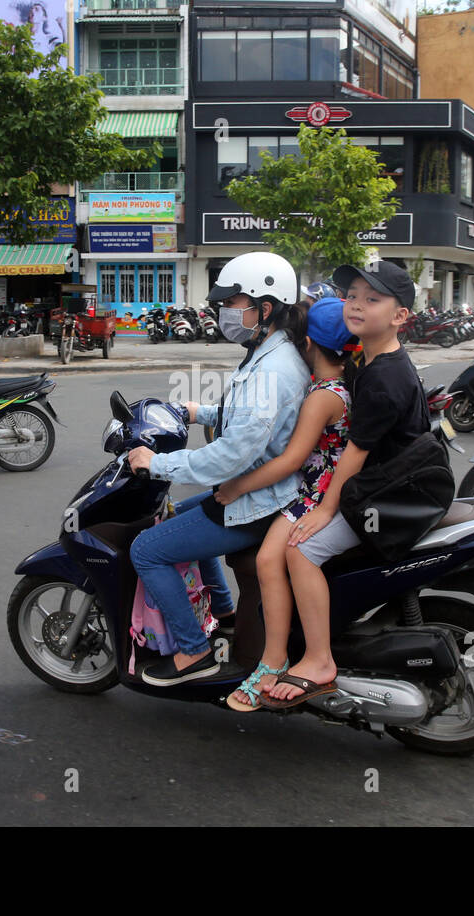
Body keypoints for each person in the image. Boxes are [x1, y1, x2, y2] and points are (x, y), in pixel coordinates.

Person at [126, 252, 310, 687]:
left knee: (146, 550)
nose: (224, 311)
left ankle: (193, 651)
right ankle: (224, 612)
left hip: (257, 501)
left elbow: (231, 455)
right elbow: (250, 420)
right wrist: (199, 411)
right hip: (259, 491)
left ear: (264, 309)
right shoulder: (269, 351)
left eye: (233, 302)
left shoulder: (274, 368)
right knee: (176, 518)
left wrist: (158, 464)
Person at [264, 261, 432, 708]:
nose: (357, 304)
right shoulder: (371, 360)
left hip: (389, 495)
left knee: (300, 550)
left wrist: (322, 510)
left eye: (373, 299)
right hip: (389, 484)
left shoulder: (382, 376)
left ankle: (319, 660)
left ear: (401, 316)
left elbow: (355, 453)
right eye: (353, 295)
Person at [214, 298, 353, 711]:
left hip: (312, 493)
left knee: (267, 561)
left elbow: (291, 460)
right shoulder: (340, 383)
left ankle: (274, 660)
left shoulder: (322, 397)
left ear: (307, 343)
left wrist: (238, 486)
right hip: (322, 488)